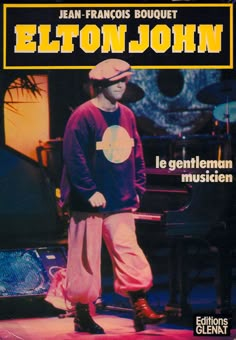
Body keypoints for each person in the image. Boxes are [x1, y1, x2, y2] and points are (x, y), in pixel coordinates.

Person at [60, 58, 166, 334]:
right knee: (85, 259)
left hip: (120, 199)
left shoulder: (127, 115)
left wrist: (138, 187)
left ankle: (140, 306)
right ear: (101, 84)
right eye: (116, 81)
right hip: (89, 203)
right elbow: (74, 157)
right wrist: (88, 191)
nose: (122, 85)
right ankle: (82, 314)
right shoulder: (82, 116)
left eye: (124, 80)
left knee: (128, 251)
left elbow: (136, 153)